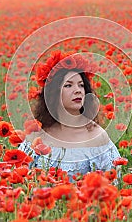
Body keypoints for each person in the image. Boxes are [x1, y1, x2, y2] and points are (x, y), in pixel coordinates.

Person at [18, 51, 121, 181]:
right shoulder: (37, 135)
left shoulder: (96, 136)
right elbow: (18, 177)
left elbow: (113, 183)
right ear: (54, 93)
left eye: (81, 85)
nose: (78, 90)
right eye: (68, 85)